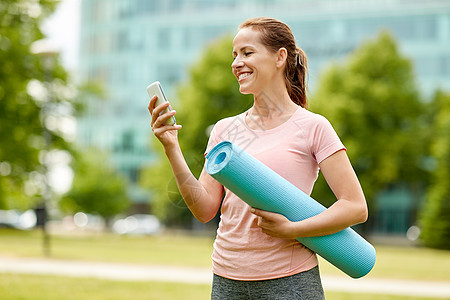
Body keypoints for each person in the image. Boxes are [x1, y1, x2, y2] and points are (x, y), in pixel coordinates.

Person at [148, 17, 368, 300]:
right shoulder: (224, 130)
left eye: (247, 53)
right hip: (227, 279)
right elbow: (204, 209)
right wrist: (171, 148)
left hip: (290, 281)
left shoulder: (313, 127)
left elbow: (355, 207)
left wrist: (292, 229)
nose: (236, 63)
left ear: (280, 57)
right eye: (235, 55)